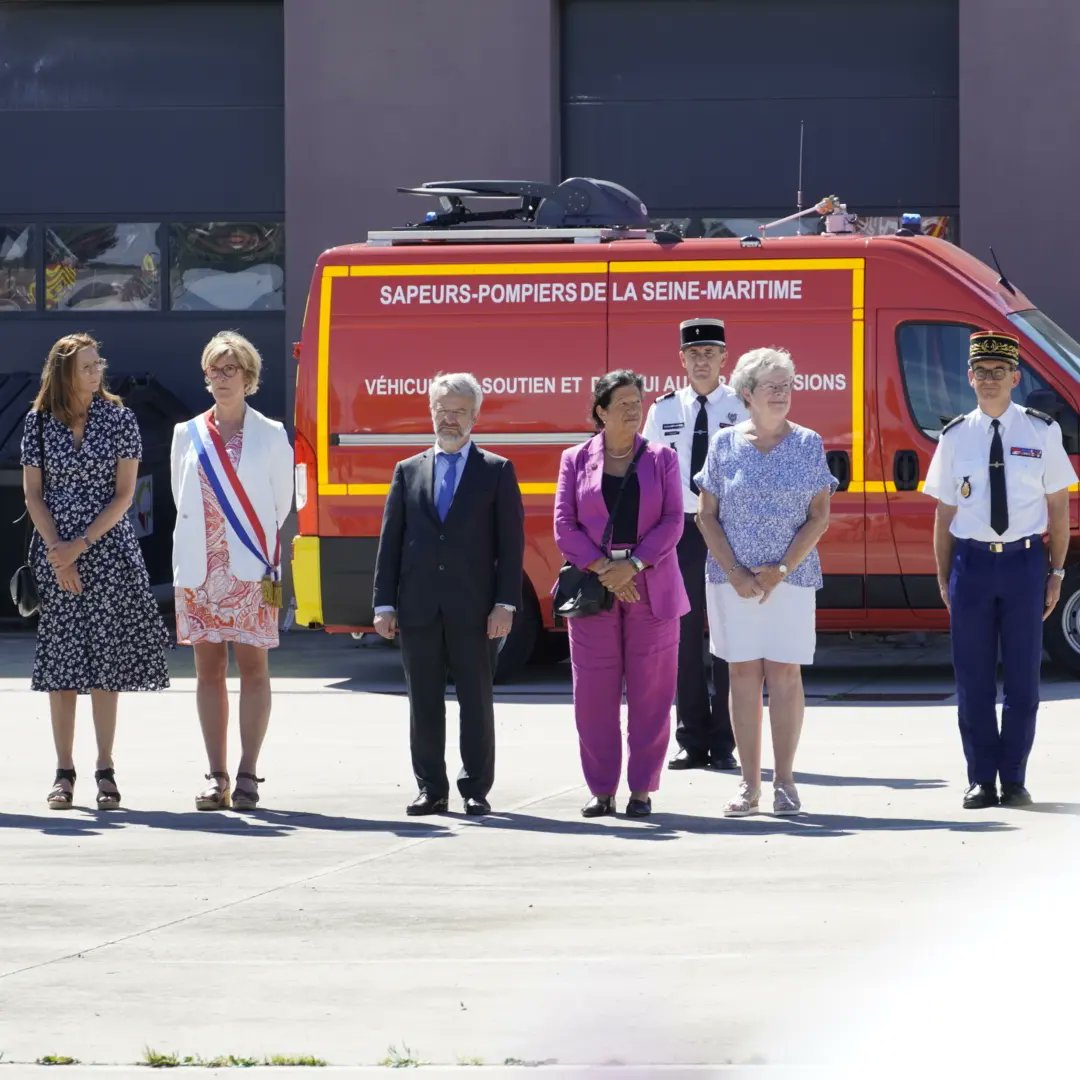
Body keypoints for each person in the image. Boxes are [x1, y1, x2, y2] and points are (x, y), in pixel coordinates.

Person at [922, 330, 1077, 810]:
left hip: (1025, 564)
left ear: (1014, 377)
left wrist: (1055, 573)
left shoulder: (1041, 431)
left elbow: (1057, 509)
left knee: (1025, 680)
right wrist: (945, 577)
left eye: (998, 373)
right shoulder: (954, 436)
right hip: (971, 563)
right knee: (972, 680)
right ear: (969, 378)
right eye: (981, 372)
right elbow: (944, 515)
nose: (989, 380)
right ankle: (979, 778)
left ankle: (1013, 778)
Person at [20, 332, 169, 810]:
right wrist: (58, 552)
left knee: (106, 663)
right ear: (65, 372)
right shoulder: (38, 423)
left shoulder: (120, 418)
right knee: (61, 667)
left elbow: (124, 495)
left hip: (107, 550)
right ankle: (64, 772)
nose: (96, 369)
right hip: (56, 551)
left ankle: (105, 768)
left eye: (97, 362)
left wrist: (80, 545)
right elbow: (33, 495)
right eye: (87, 365)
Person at [373, 373, 525, 817]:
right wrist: (384, 603)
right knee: (423, 704)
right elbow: (391, 541)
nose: (450, 419)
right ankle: (430, 789)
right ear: (430, 412)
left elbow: (511, 545)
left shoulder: (496, 471)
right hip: (418, 608)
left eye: (459, 411)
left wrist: (505, 603)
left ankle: (475, 788)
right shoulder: (407, 470)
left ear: (476, 416)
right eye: (442, 410)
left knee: (476, 702)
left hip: (475, 610)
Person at [695, 347, 836, 817]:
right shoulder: (724, 444)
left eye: (787, 386)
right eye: (772, 386)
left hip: (790, 580)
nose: (782, 394)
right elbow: (706, 516)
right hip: (731, 581)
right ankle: (748, 785)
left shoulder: (809, 443)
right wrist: (736, 572)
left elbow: (819, 517)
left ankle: (786, 782)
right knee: (742, 675)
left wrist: (781, 569)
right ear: (747, 393)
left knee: (785, 675)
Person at [555, 370, 689, 818]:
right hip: (594, 590)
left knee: (652, 695)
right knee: (593, 694)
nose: (635, 410)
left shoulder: (663, 458)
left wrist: (631, 565)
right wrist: (604, 569)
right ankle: (601, 789)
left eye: (638, 402)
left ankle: (642, 790)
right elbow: (564, 526)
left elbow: (673, 521)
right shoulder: (574, 459)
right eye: (625, 403)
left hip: (651, 585)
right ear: (601, 412)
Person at [170, 331, 294, 811]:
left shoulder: (271, 433)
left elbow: (281, 504)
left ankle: (247, 774)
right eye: (213, 370)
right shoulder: (187, 433)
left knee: (254, 669)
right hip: (201, 571)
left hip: (250, 568)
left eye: (230, 370)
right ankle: (215, 774)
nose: (221, 379)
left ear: (249, 376)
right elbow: (185, 503)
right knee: (207, 671)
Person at [642, 317, 747, 772]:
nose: (702, 361)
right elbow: (647, 474)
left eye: (710, 353)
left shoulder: (742, 407)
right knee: (681, 638)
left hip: (725, 530)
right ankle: (690, 738)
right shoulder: (663, 410)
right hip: (680, 532)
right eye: (694, 354)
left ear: (725, 359)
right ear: (681, 360)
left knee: (726, 636)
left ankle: (724, 740)